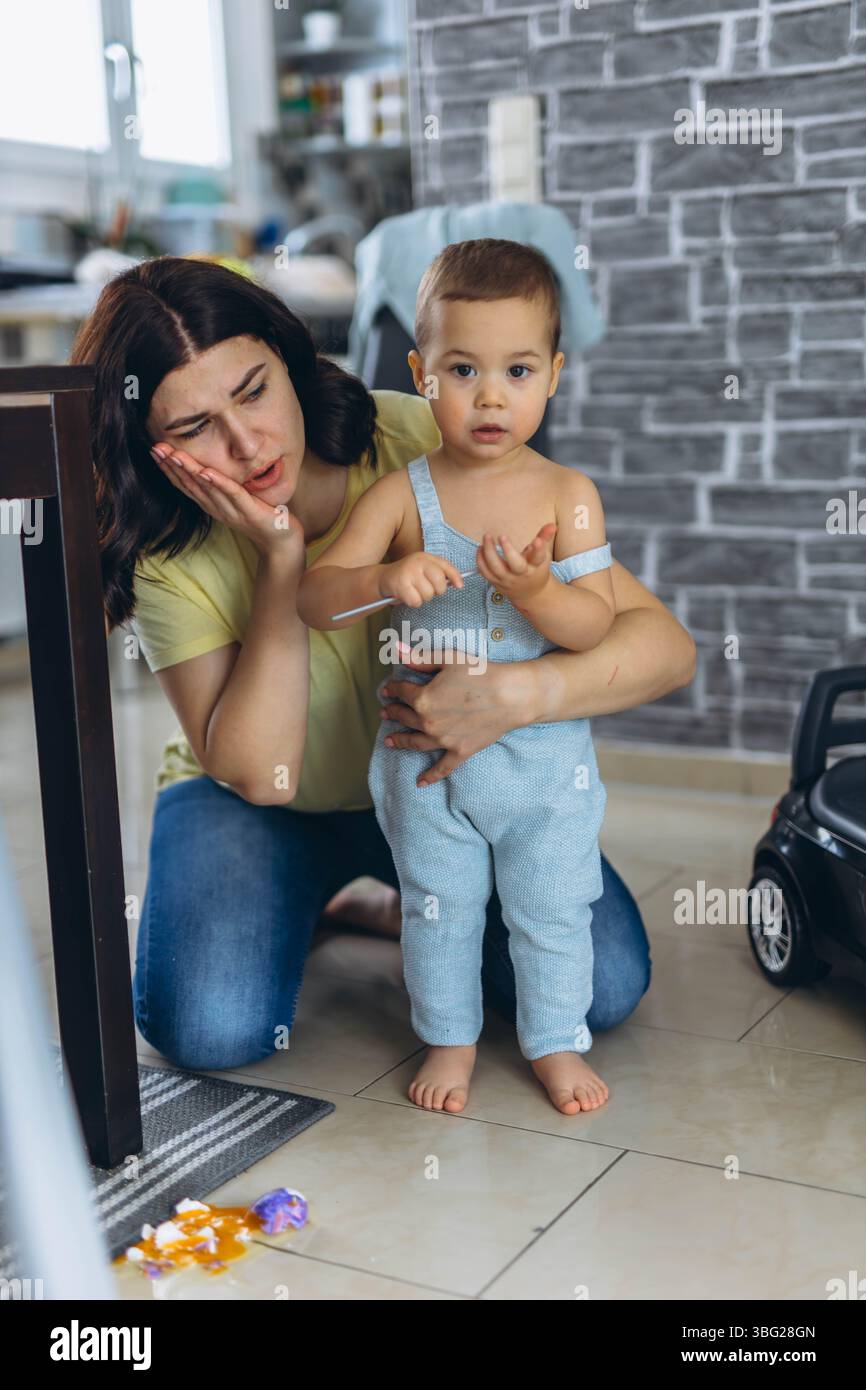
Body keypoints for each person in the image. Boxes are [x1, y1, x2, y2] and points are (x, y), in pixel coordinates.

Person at [70, 255, 696, 1113]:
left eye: (253, 391)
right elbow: (258, 771)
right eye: (195, 428)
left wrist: (522, 697)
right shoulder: (164, 554)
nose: (246, 446)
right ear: (154, 448)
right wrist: (284, 558)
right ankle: (324, 896)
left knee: (604, 987)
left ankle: (383, 895)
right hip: (260, 808)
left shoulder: (421, 443)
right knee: (213, 1026)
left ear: (291, 364)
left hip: (444, 784)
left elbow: (664, 647)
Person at [299, 239, 619, 1115]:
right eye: (462, 369)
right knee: (439, 910)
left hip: (546, 766)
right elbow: (315, 598)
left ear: (553, 374)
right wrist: (380, 580)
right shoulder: (403, 496)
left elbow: (595, 625)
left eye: (517, 369)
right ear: (421, 374)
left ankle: (556, 1041)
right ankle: (450, 1039)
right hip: (424, 763)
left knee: (552, 907)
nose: (489, 395)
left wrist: (536, 593)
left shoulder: (569, 494)